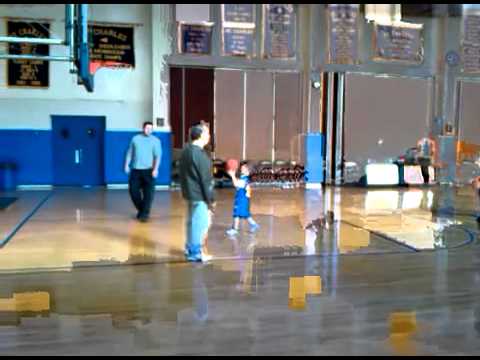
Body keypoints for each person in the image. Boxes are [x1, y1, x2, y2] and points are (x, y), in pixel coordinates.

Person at [179, 123, 215, 262]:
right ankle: (195, 253)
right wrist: (210, 201)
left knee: (191, 222)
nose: (209, 136)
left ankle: (189, 248)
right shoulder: (200, 155)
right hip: (199, 195)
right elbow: (206, 181)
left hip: (189, 193)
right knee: (200, 223)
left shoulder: (186, 151)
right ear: (200, 135)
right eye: (207, 133)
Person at [124, 121, 161, 222]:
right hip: (136, 170)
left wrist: (155, 169)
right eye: (147, 128)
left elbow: (157, 156)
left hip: (149, 171)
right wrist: (126, 164)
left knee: (148, 194)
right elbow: (130, 152)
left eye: (150, 129)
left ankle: (144, 215)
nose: (148, 130)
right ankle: (142, 210)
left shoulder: (156, 141)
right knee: (133, 191)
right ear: (143, 128)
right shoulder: (135, 139)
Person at [226, 161, 259, 236]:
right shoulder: (243, 178)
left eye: (243, 168)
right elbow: (238, 183)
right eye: (241, 167)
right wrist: (233, 176)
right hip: (243, 200)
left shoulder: (244, 180)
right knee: (246, 214)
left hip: (241, 200)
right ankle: (254, 224)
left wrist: (232, 176)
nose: (241, 168)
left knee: (236, 214)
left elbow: (236, 184)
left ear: (248, 172)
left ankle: (235, 229)